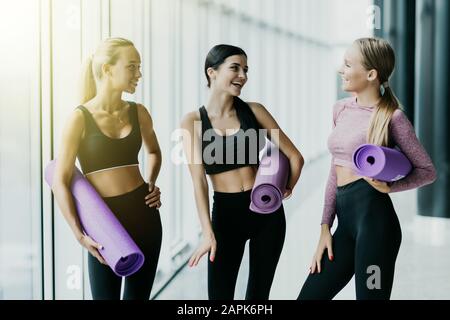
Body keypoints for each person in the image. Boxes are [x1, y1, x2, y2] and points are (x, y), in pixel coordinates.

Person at [298, 37, 437, 300]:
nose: (342, 69)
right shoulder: (340, 109)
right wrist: (325, 226)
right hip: (345, 226)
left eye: (348, 64)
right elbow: (335, 168)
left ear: (371, 74)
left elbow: (427, 170)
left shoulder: (392, 117)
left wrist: (392, 186)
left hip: (376, 229)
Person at [181, 44, 304, 300]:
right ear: (211, 72)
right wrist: (207, 233)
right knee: (219, 296)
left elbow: (295, 157)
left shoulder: (255, 111)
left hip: (266, 214)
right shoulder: (192, 121)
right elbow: (198, 182)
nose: (243, 76)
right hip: (225, 216)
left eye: (246, 70)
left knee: (258, 297)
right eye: (235, 68)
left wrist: (285, 190)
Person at [51, 37, 163, 300]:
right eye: (132, 67)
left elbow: (155, 152)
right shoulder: (79, 119)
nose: (139, 74)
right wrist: (79, 234)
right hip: (103, 223)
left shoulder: (139, 112)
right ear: (108, 69)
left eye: (139, 67)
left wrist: (151, 182)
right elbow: (60, 181)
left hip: (144, 215)